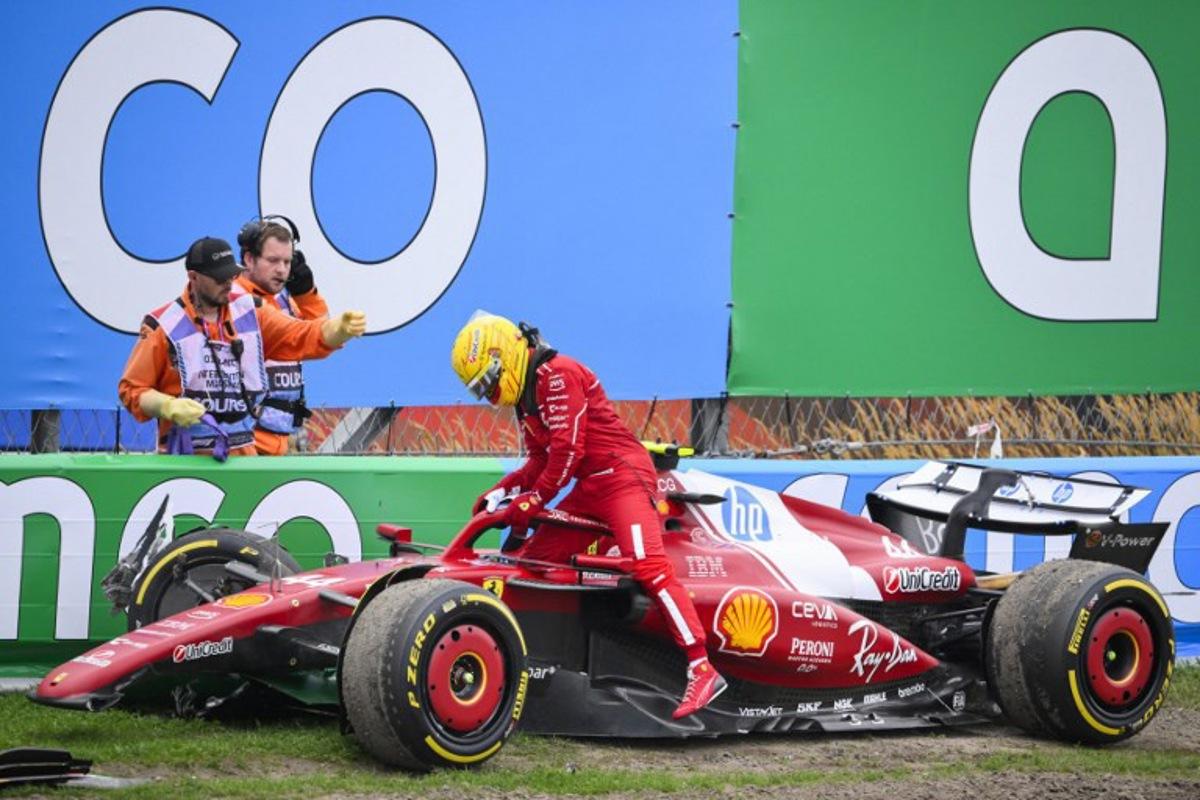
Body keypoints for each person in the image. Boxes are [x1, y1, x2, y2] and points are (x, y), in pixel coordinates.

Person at [450, 312, 726, 719]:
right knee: (532, 562)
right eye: (481, 388)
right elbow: (539, 462)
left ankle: (702, 667)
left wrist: (533, 501)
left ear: (503, 353)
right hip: (590, 487)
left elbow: (566, 454)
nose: (490, 392)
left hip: (623, 478)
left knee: (647, 565)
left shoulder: (557, 375)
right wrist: (504, 490)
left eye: (489, 380)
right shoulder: (527, 396)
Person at [118, 236, 366, 458]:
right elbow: (132, 389)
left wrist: (337, 330)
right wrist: (167, 406)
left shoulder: (251, 312)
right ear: (193, 277)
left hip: (245, 460)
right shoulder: (163, 325)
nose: (228, 282)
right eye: (219, 278)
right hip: (185, 459)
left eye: (230, 274)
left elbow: (300, 335)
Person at [230, 216, 328, 455]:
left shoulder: (284, 299)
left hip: (280, 438)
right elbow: (320, 339)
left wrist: (307, 295)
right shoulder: (235, 301)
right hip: (246, 439)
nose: (282, 270)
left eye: (287, 261)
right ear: (249, 259)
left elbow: (321, 340)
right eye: (273, 261)